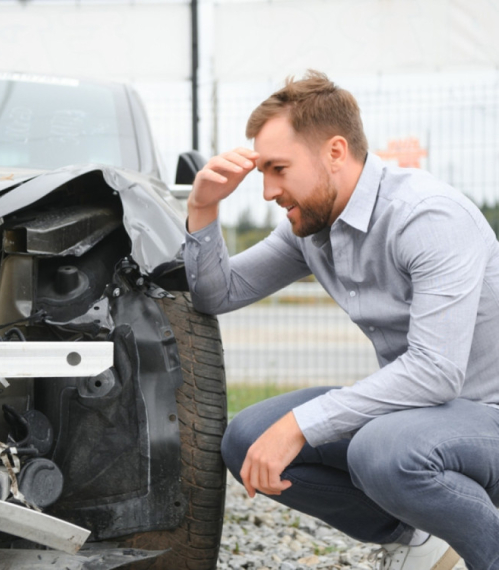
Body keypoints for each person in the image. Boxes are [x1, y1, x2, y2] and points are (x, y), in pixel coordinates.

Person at [183, 70, 499, 570]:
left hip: (487, 413)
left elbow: (437, 372)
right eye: (262, 171)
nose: (267, 191)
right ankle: (422, 542)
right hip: (421, 414)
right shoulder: (311, 228)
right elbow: (217, 293)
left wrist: (301, 426)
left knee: (381, 449)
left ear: (335, 152)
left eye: (279, 169)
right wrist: (204, 207)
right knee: (248, 437)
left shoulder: (427, 217)